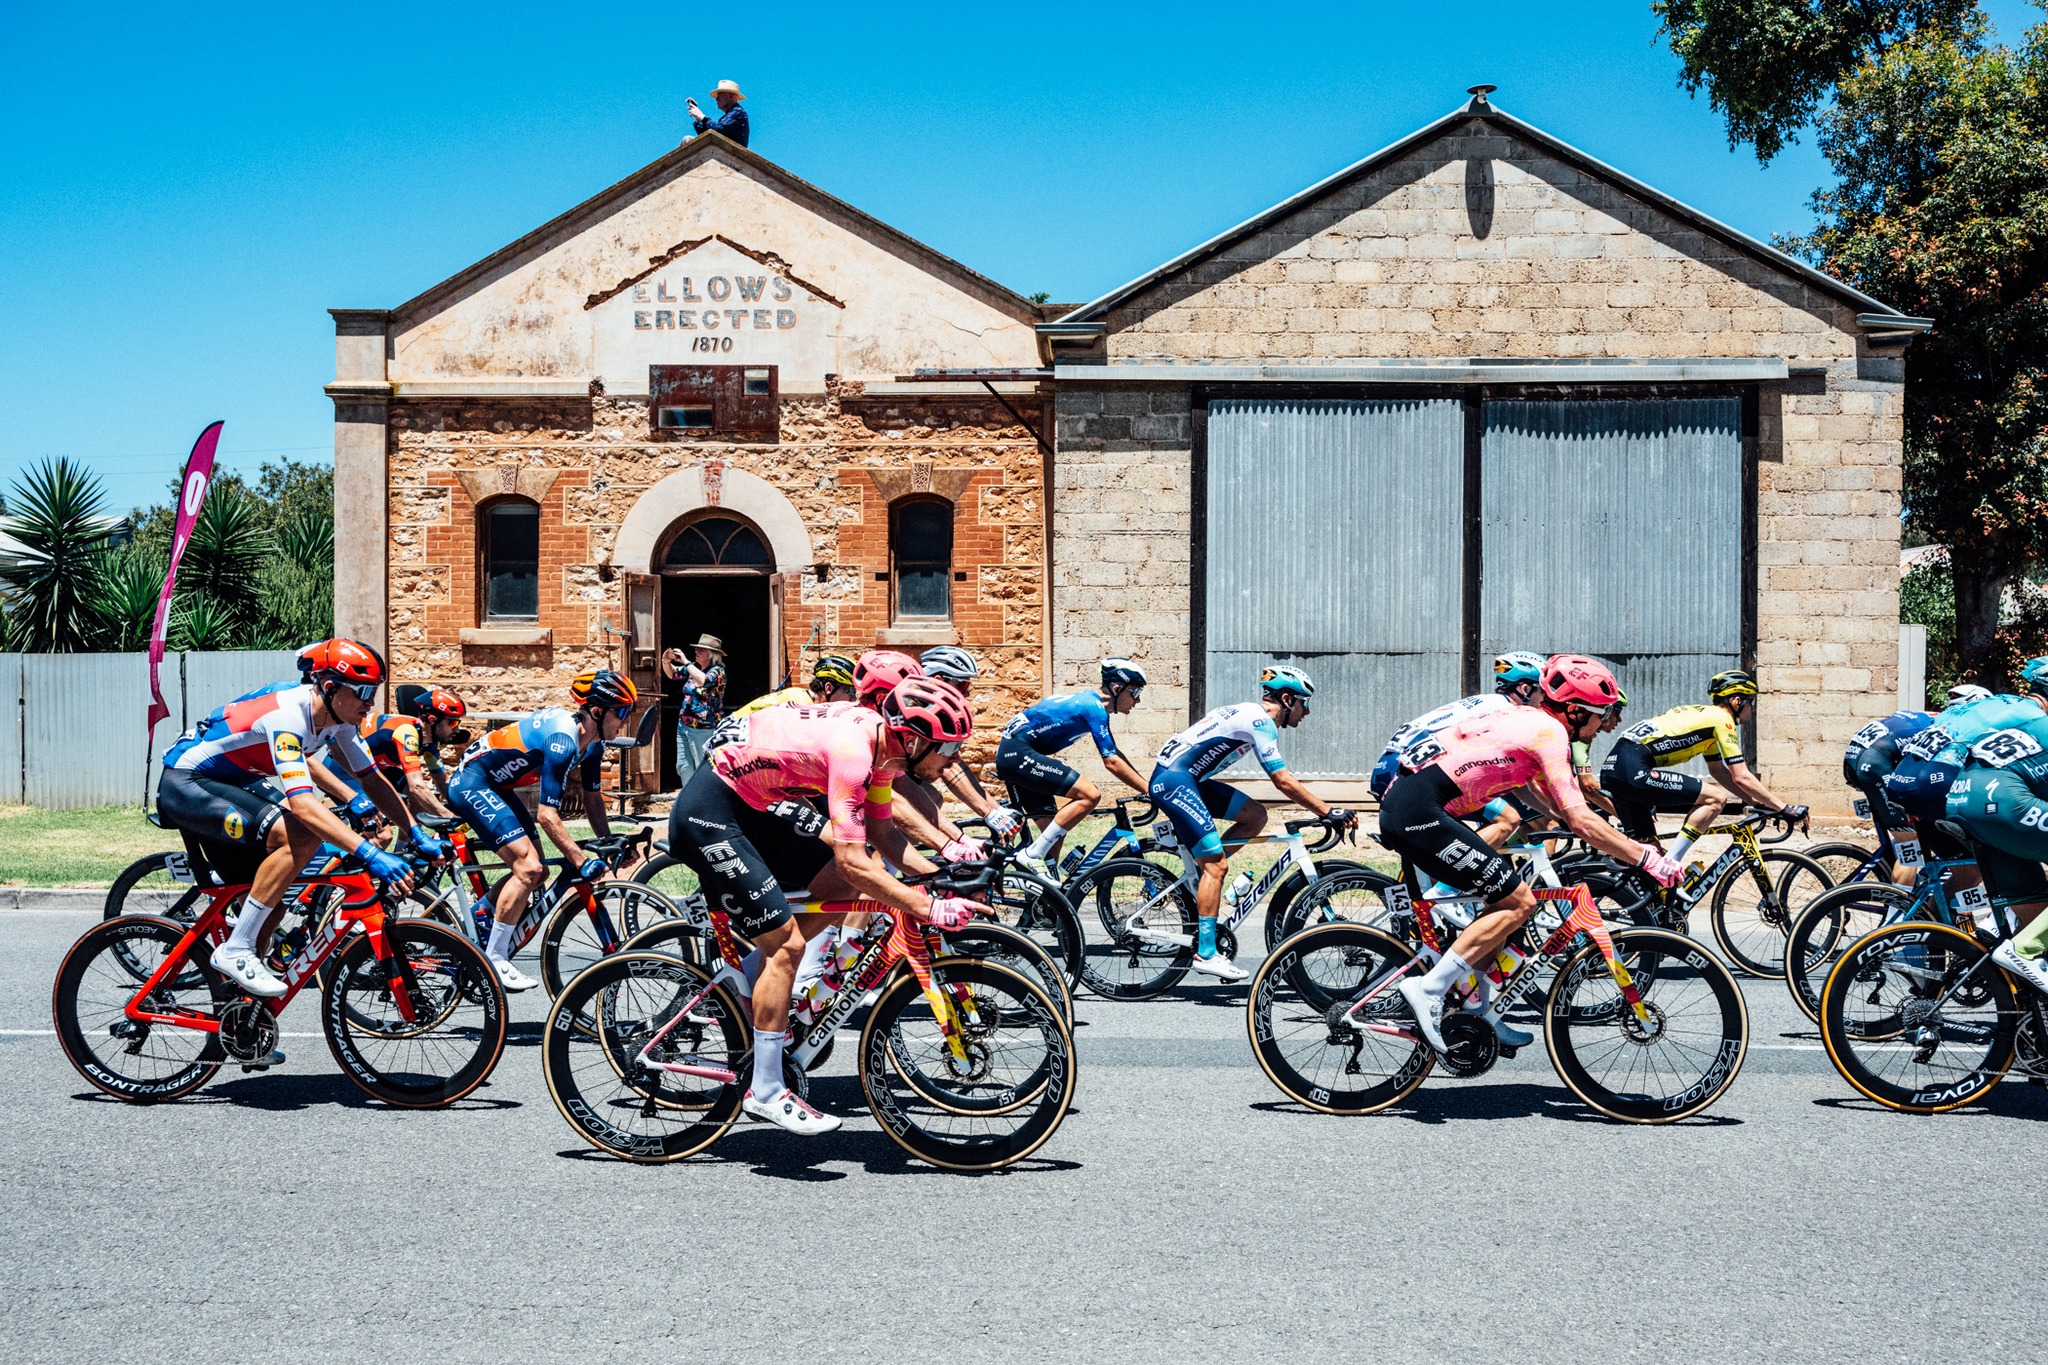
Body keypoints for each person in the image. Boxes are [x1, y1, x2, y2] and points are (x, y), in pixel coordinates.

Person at [665, 675, 979, 1135]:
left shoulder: (883, 748)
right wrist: (928, 908)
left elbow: (883, 835)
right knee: (786, 947)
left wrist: (939, 874)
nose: (952, 760)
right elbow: (856, 861)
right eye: (946, 749)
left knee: (839, 886)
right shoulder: (854, 755)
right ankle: (766, 1090)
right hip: (711, 812)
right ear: (913, 739)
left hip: (755, 802)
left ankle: (743, 986)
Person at [1382, 655, 1683, 1050]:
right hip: (1418, 810)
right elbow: (1581, 822)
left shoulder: (1529, 720)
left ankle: (1480, 1010)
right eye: (1601, 714)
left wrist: (1593, 827)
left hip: (1418, 801)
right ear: (1575, 711)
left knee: (1502, 910)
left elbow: (1533, 790)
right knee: (1517, 902)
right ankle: (1429, 988)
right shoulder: (1550, 734)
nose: (1603, 726)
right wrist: (1649, 858)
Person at [158, 639, 427, 1017]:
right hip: (187, 783)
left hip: (233, 782)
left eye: (375, 691)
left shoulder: (339, 722)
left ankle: (241, 1017)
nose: (370, 702)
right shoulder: (288, 716)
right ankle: (235, 949)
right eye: (363, 692)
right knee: (299, 834)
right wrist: (369, 853)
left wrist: (415, 832)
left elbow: (372, 779)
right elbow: (302, 804)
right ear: (330, 688)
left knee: (274, 906)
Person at [1146, 665, 1356, 982]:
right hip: (1175, 781)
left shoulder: (1249, 715)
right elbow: (1282, 781)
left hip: (1187, 779)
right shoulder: (1259, 722)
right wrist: (1327, 811)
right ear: (1287, 699)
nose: (1307, 712)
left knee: (1255, 816)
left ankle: (1206, 877)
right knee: (1216, 865)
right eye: (1305, 703)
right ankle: (1206, 953)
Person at [445, 669, 630, 990]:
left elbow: (592, 799)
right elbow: (547, 816)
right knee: (529, 870)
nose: (625, 722)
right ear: (597, 712)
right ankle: (496, 959)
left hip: (497, 786)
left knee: (538, 872)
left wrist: (610, 841)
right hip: (473, 782)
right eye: (623, 712)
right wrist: (579, 859)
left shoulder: (592, 745)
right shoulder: (563, 743)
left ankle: (481, 914)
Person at [1598, 669, 1807, 861]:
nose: (1752, 709)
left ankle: (1643, 890)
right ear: (1736, 701)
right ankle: (1672, 862)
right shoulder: (1722, 720)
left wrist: (1758, 803)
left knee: (1648, 854)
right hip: (1631, 768)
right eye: (1751, 702)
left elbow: (1719, 772)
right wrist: (1783, 807)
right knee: (1716, 798)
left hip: (1615, 770)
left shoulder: (1707, 721)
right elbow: (1740, 775)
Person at [1946, 659, 2048, 991]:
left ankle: (2028, 1012)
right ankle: (2025, 949)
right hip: (1999, 801)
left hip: (1962, 797)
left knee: (2032, 898)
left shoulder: (2022, 718)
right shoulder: (2038, 721)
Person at [996, 658, 1151, 876]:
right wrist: (1148, 789)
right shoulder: (1094, 707)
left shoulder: (1091, 704)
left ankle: (1042, 905)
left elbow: (1114, 754)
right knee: (1089, 795)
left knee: (1053, 833)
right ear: (1117, 688)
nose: (1137, 701)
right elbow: (1111, 762)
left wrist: (1147, 784)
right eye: (1135, 693)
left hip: (1020, 752)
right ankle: (1031, 856)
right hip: (1018, 753)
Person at [355, 686, 468, 822]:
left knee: (417, 804)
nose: (457, 730)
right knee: (382, 835)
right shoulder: (407, 733)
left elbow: (441, 780)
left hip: (377, 768)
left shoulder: (430, 740)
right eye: (453, 723)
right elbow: (417, 786)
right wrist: (448, 816)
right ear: (432, 720)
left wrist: (465, 810)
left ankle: (406, 844)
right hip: (346, 768)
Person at [664, 633, 728, 780]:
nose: (696, 652)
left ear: (712, 655)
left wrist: (686, 661)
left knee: (702, 768)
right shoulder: (694, 668)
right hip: (683, 726)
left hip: (703, 728)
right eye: (696, 649)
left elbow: (703, 681)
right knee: (683, 767)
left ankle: (702, 801)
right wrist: (666, 660)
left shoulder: (718, 672)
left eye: (701, 650)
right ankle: (689, 800)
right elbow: (673, 674)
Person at [732, 654, 857, 718]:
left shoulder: (809, 700)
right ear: (828, 688)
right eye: (850, 691)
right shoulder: (801, 704)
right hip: (725, 744)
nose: (853, 698)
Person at [686, 80, 749, 147]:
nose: (716, 99)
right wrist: (697, 117)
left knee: (687, 140)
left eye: (719, 96)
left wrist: (701, 116)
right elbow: (706, 134)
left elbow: (718, 129)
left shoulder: (738, 112)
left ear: (730, 97)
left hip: (730, 152)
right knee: (687, 140)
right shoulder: (732, 114)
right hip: (723, 148)